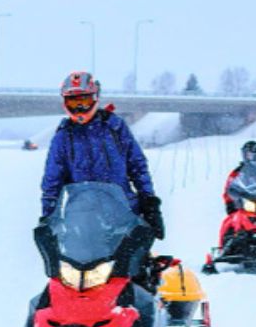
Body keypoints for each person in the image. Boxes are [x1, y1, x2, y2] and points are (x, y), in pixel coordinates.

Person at [41, 71, 164, 239]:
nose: (79, 108)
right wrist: (48, 218)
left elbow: (137, 166)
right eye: (73, 102)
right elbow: (52, 181)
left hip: (123, 214)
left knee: (136, 259)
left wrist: (150, 203)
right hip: (81, 219)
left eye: (84, 101)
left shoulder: (114, 127)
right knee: (71, 263)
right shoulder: (64, 136)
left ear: (95, 97)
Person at [222, 140, 256, 213]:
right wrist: (229, 203)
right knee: (230, 222)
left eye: (251, 155)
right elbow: (228, 189)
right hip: (243, 205)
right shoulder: (237, 172)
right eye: (247, 154)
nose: (249, 157)